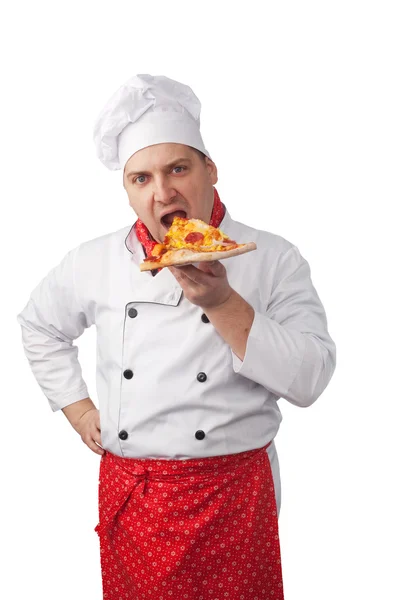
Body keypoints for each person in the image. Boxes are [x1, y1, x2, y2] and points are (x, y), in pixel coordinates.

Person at [17, 74, 336, 599]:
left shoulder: (272, 256)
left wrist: (223, 304)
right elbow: (39, 325)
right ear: (127, 190)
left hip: (235, 497)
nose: (162, 192)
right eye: (140, 178)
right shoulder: (92, 261)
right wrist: (76, 409)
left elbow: (312, 379)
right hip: (137, 499)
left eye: (177, 169)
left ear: (210, 170)